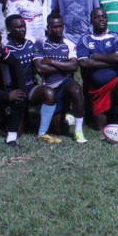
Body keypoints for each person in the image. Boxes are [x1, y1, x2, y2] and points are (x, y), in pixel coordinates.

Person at [77, 8, 118, 141]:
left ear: (107, 19)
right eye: (96, 17)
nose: (100, 19)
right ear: (91, 20)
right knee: (100, 127)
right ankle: (113, 114)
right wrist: (110, 62)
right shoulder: (85, 39)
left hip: (115, 82)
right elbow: (83, 63)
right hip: (97, 89)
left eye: (103, 17)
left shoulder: (116, 36)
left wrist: (95, 56)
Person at [4, 15, 60, 143]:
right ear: (9, 29)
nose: (23, 29)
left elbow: (38, 65)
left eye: (24, 26)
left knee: (49, 93)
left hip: (31, 87)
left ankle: (42, 133)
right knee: (18, 133)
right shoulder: (4, 46)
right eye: (18, 27)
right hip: (14, 90)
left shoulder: (31, 42)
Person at [33, 13, 87, 143]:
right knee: (57, 130)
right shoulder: (40, 42)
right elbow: (39, 68)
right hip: (49, 87)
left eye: (60, 26)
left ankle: (78, 131)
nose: (58, 29)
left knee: (76, 89)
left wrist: (52, 62)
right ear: (48, 28)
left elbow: (74, 66)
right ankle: (67, 118)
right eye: (54, 27)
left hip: (65, 82)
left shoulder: (69, 44)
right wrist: (64, 66)